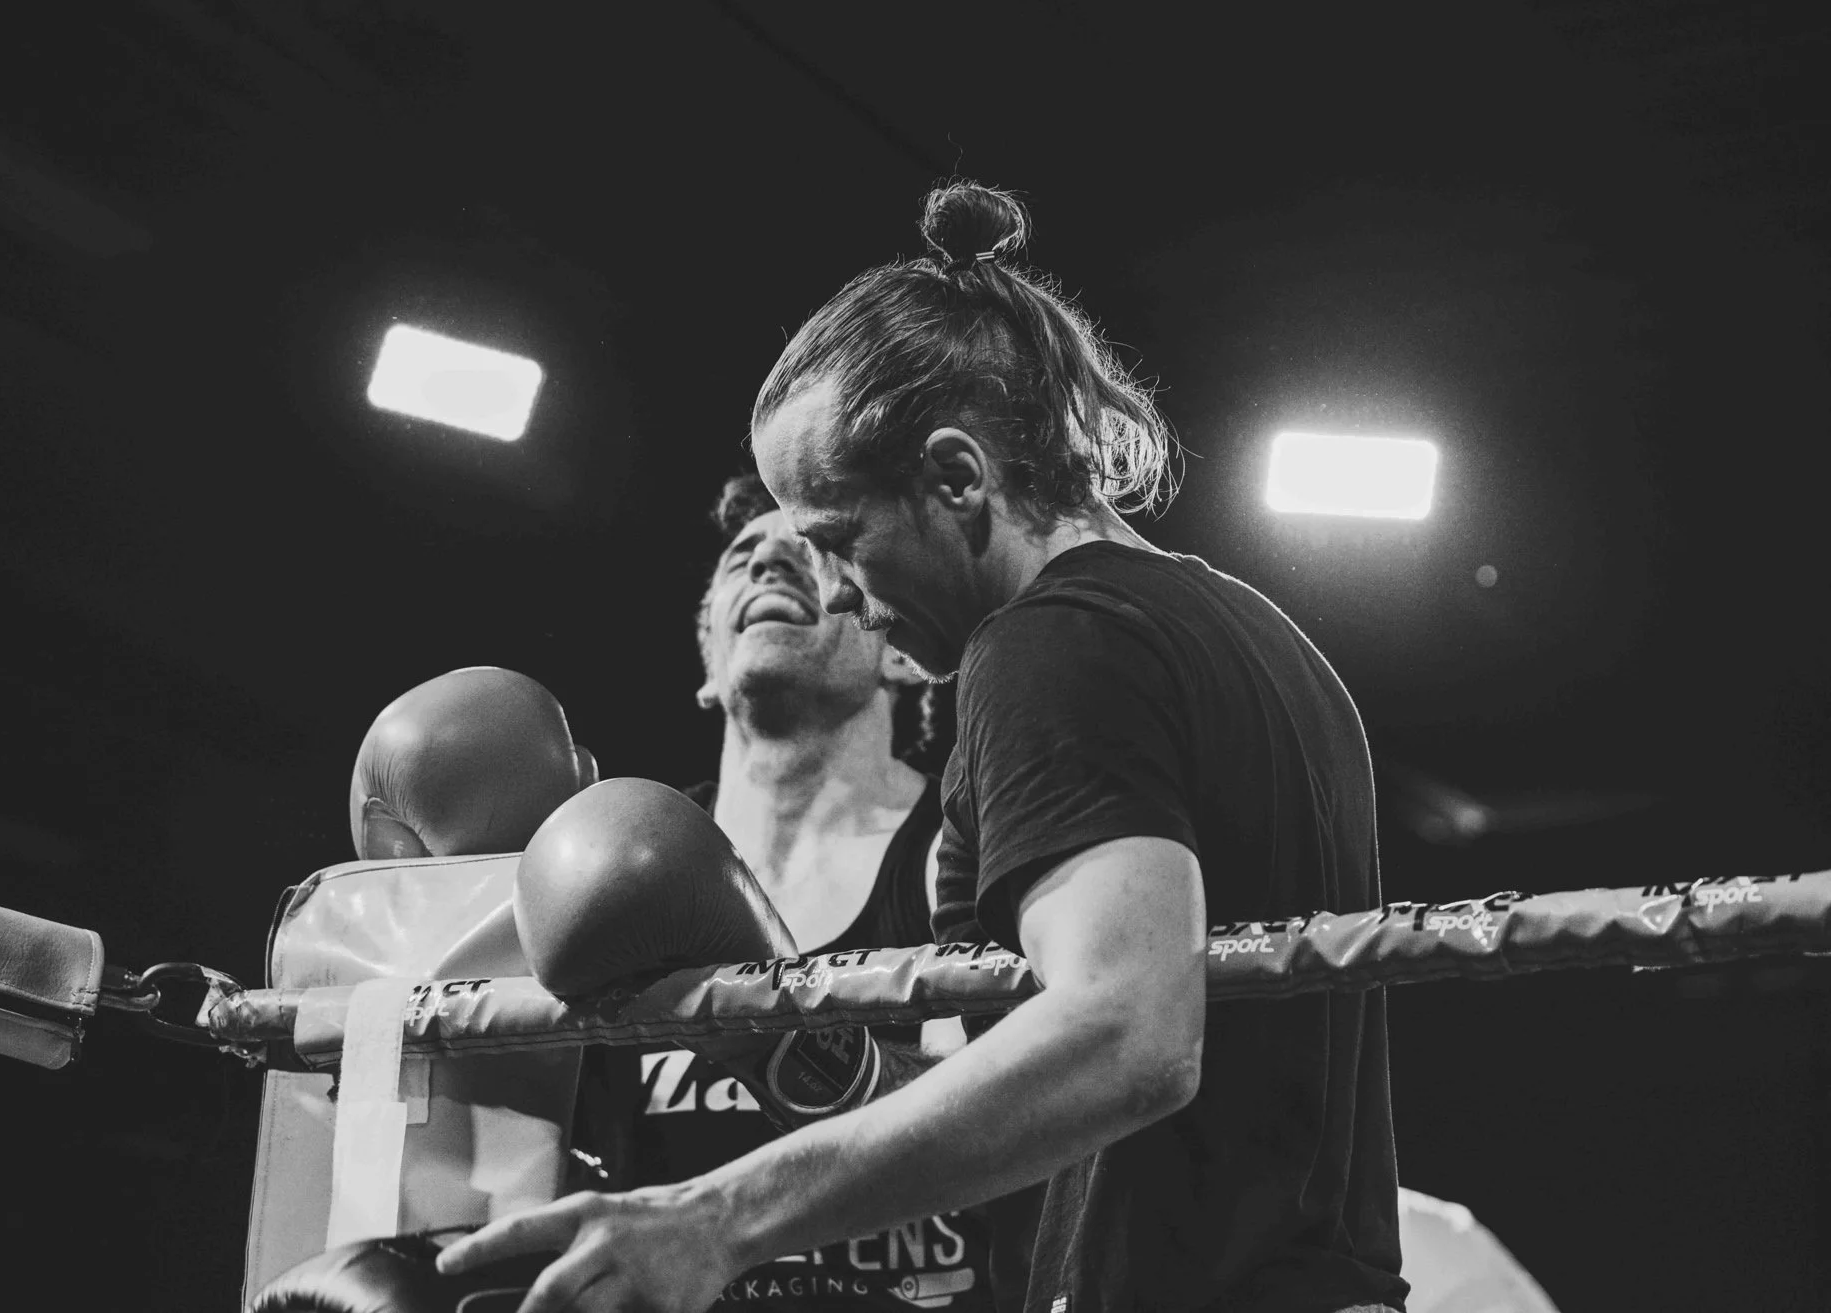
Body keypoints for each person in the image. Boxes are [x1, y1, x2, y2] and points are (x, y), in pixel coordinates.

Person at [439, 182, 1405, 1313]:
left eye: (838, 540)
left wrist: (717, 1216)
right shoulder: (1260, 637)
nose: (840, 589)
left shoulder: (1050, 647)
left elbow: (1128, 1031)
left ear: (956, 477)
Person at [565, 474, 1000, 1310]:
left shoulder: (963, 841)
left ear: (901, 649)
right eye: (741, 557)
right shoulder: (617, 868)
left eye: (811, 547)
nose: (768, 558)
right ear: (707, 665)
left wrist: (778, 1047)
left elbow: (1015, 1128)